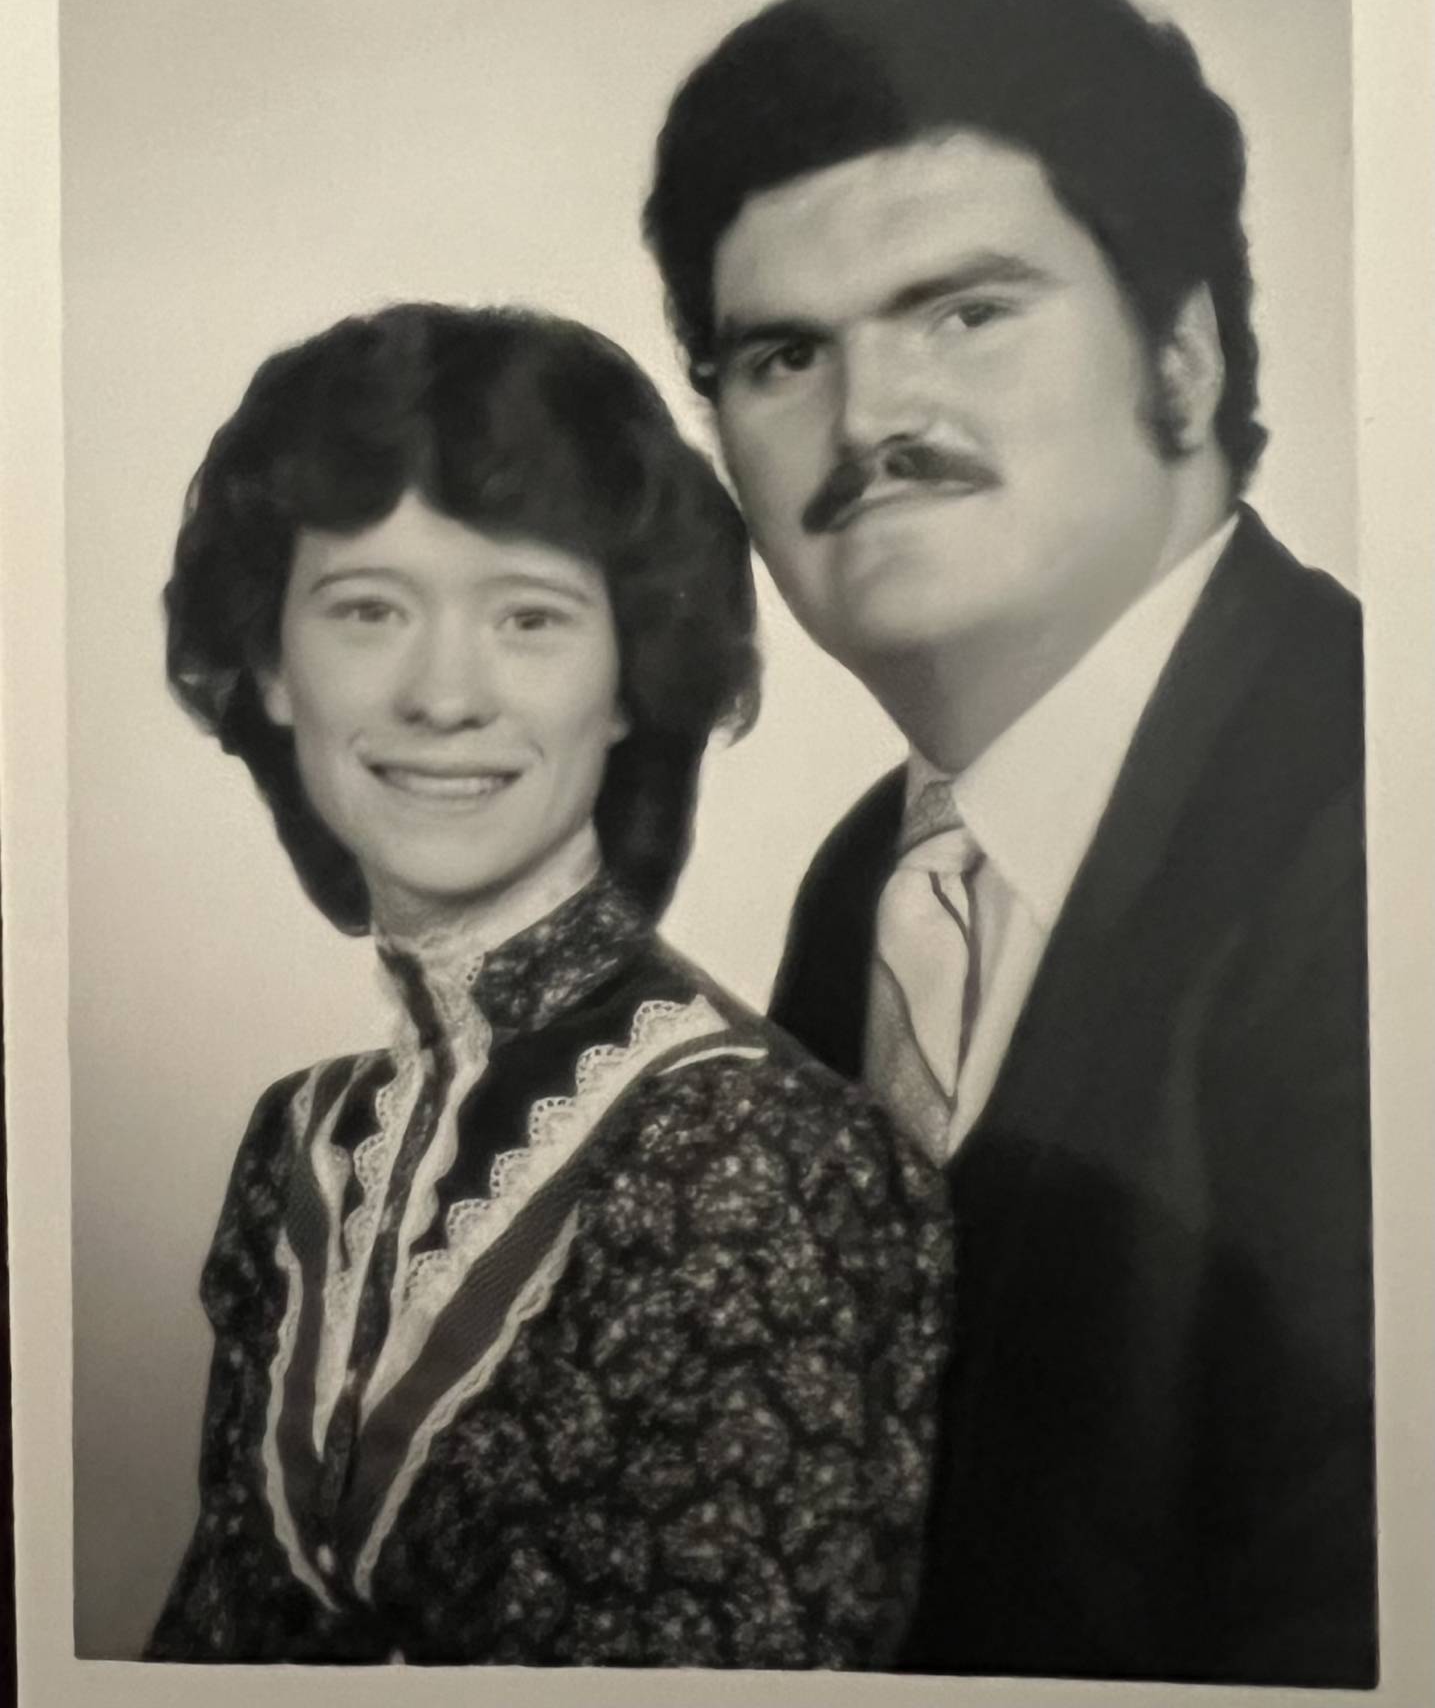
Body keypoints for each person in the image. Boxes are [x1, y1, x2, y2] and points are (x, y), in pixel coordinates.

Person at [643, 0, 1376, 1688]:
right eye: (782, 355)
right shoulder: (864, 884)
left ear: (1181, 358)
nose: (870, 418)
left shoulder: (1381, 814)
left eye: (964, 312)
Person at [144, 301, 952, 1668]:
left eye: (530, 616)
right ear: (272, 668)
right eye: (367, 610)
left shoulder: (749, 1156)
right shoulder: (303, 1146)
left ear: (631, 678)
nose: (442, 694)